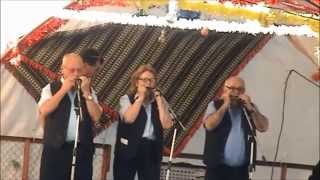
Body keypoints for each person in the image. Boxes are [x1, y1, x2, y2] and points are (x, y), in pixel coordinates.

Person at [38, 53, 102, 180]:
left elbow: (97, 116)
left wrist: (86, 93)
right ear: (63, 70)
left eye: (79, 70)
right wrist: (63, 90)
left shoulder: (89, 90)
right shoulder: (50, 88)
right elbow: (43, 110)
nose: (76, 74)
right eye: (72, 70)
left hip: (82, 151)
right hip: (55, 151)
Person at [113, 64, 173, 180]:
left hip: (151, 149)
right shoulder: (126, 99)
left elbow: (167, 124)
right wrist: (139, 99)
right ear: (136, 82)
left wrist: (160, 101)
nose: (148, 83)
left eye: (151, 80)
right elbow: (129, 119)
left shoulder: (160, 101)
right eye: (144, 80)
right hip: (128, 149)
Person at [203, 76, 269, 180]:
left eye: (240, 89)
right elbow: (209, 125)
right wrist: (225, 105)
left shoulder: (250, 108)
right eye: (232, 88)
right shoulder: (214, 105)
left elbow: (263, 127)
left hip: (241, 171)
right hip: (216, 169)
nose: (235, 92)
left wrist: (251, 108)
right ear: (224, 89)